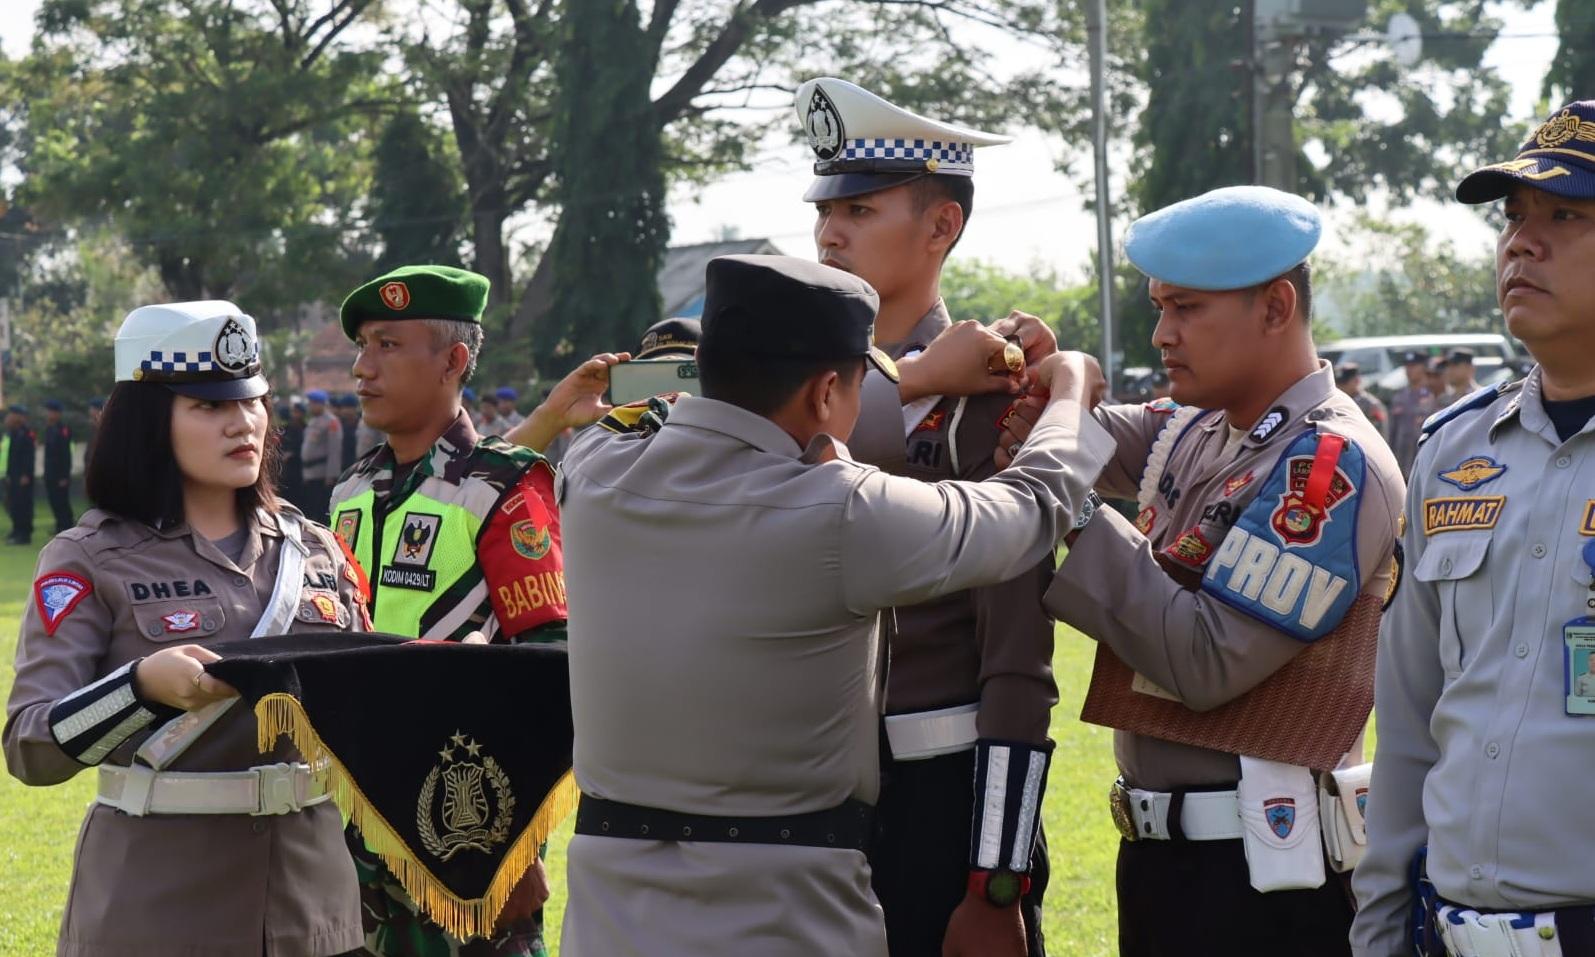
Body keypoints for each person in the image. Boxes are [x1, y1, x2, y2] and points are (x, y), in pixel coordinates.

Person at [557, 253, 1112, 957]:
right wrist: (1071, 387)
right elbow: (1028, 508)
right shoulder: (840, 510)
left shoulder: (594, 468)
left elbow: (662, 415)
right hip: (785, 912)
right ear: (825, 393)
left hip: (612, 917)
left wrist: (913, 372)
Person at [998, 186, 1403, 956]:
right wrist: (1035, 373)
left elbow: (1206, 658)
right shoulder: (1199, 429)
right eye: (1158, 308)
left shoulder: (1326, 463)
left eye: (1185, 309)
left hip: (1263, 878)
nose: (1160, 334)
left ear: (1276, 307)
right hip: (1167, 863)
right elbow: (1060, 430)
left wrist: (1074, 510)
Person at [790, 75, 1062, 957]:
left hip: (937, 800)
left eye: (860, 209)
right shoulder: (785, 390)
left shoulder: (993, 397)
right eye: (825, 208)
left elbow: (1017, 666)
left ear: (941, 226)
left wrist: (996, 880)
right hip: (806, 796)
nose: (830, 231)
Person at [2, 300, 368, 956]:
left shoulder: (316, 549)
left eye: (251, 400)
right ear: (148, 421)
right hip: (159, 909)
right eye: (209, 406)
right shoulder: (89, 557)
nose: (243, 423)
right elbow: (30, 746)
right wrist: (140, 686)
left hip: (314, 909)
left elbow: (370, 714)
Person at [1352, 100, 1595, 957]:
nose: (1521, 242)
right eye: (1513, 217)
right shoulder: (1453, 451)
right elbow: (1411, 720)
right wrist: (1378, 926)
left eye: (1565, 215)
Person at [331, 264, 569, 957]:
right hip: (359, 813)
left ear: (454, 360)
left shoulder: (507, 487)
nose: (360, 367)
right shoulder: (351, 488)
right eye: (362, 345)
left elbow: (546, 676)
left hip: (466, 819)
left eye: (386, 345)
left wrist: (519, 848)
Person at [1386, 350, 1433, 477]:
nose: (1409, 370)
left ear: (1424, 367)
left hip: (1424, 462)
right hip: (1401, 463)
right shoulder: (1399, 397)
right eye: (1407, 366)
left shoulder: (1432, 395)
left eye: (1413, 366)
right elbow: (1391, 432)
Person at [299, 389, 343, 523]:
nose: (310, 406)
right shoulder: (313, 421)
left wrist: (331, 475)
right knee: (311, 507)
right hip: (310, 472)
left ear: (321, 404)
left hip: (322, 473)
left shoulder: (331, 422)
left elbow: (334, 450)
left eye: (313, 403)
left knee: (321, 511)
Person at [41, 400, 74, 533]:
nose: (49, 415)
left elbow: (66, 455)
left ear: (58, 414)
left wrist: (64, 476)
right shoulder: (50, 429)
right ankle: (59, 525)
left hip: (60, 474)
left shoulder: (63, 430)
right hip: (51, 473)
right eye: (48, 412)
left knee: (62, 501)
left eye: (52, 412)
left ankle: (67, 525)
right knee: (54, 500)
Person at [1336, 361, 1389, 442]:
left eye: (1345, 383)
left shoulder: (1371, 404)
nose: (1341, 386)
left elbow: (1381, 434)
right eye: (1339, 383)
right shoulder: (1337, 402)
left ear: (1357, 380)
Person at [6, 404, 36, 545]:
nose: (9, 417)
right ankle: (17, 530)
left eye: (12, 414)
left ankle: (24, 534)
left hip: (23, 476)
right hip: (14, 474)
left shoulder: (27, 433)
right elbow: (11, 456)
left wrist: (26, 474)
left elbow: (29, 456)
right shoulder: (14, 432)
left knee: (24, 504)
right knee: (15, 504)